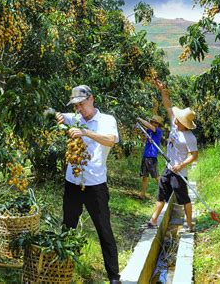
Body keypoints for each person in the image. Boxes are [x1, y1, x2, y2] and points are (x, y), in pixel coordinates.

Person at [55, 85, 121, 283]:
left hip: (96, 186)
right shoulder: (75, 118)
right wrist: (58, 116)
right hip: (72, 183)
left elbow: (111, 140)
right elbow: (58, 115)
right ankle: (62, 270)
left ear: (91, 99)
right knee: (68, 228)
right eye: (76, 106)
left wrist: (85, 132)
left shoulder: (107, 120)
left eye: (82, 104)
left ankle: (114, 277)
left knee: (104, 231)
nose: (79, 109)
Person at [147, 79, 198, 232]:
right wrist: (162, 90)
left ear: (184, 123)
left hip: (179, 173)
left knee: (184, 200)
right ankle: (153, 220)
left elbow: (194, 155)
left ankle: (189, 225)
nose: (175, 119)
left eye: (178, 119)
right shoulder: (174, 126)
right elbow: (168, 105)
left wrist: (181, 165)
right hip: (169, 168)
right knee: (161, 195)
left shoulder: (189, 137)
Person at [137, 115, 163, 200]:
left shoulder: (158, 131)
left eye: (156, 122)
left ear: (158, 124)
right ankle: (142, 194)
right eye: (153, 122)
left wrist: (140, 119)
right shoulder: (149, 131)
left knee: (156, 176)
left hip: (152, 157)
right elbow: (145, 129)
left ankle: (165, 192)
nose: (154, 123)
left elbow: (148, 125)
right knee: (144, 177)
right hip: (146, 155)